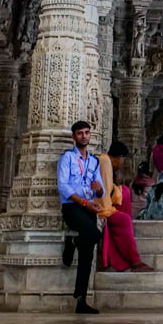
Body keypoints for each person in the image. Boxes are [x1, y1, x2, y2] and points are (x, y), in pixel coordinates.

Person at [56, 120, 104, 314]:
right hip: (73, 207)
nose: (84, 136)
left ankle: (81, 300)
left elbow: (99, 187)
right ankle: (73, 241)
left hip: (89, 207)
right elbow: (63, 186)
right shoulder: (67, 158)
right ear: (73, 137)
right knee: (95, 235)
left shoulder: (94, 161)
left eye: (86, 133)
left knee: (87, 255)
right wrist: (84, 202)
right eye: (80, 133)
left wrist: (99, 190)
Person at [99, 141, 154, 273]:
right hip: (102, 208)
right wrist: (105, 213)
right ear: (119, 157)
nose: (123, 162)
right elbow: (105, 191)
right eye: (123, 158)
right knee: (124, 220)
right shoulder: (105, 162)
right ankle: (135, 261)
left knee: (125, 190)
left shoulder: (107, 162)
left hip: (106, 204)